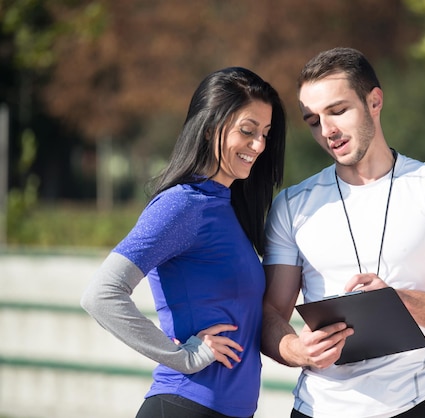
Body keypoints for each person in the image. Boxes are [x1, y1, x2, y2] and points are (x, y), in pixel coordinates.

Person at [261, 47, 425, 418]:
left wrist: (400, 302)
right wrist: (294, 349)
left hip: (418, 404)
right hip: (317, 408)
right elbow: (269, 312)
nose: (327, 131)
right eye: (312, 120)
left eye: (338, 111)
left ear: (374, 101)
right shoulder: (292, 205)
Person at [81, 67, 286, 418]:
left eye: (265, 134)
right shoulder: (183, 204)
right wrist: (185, 358)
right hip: (185, 405)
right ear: (209, 130)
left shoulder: (227, 207)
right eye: (247, 131)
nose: (259, 145)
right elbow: (101, 294)